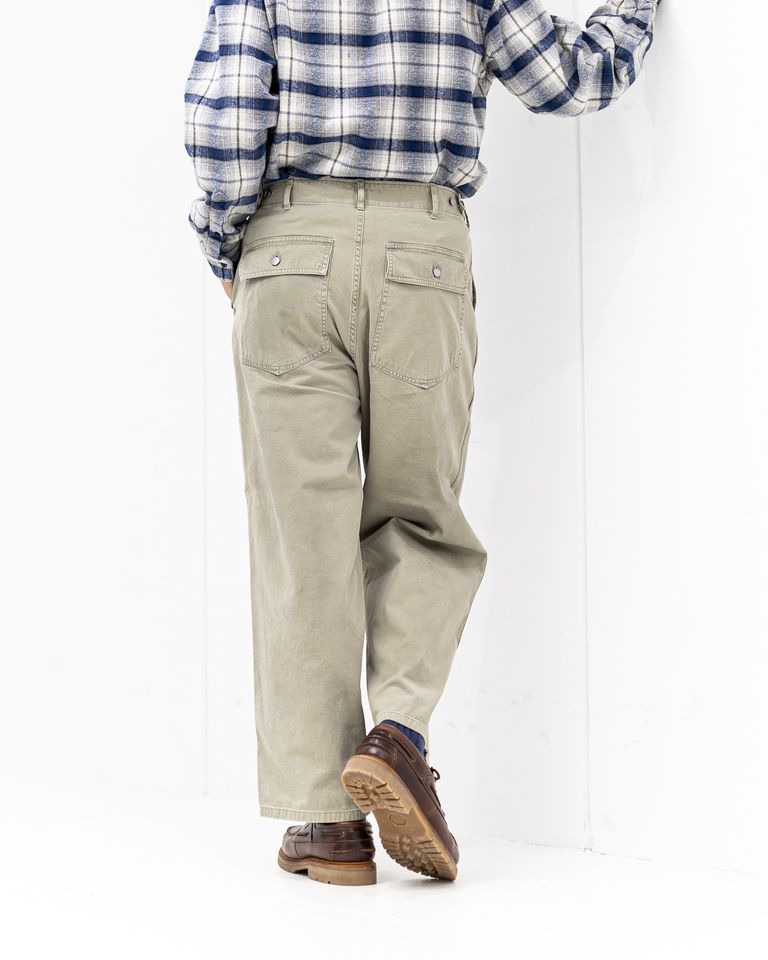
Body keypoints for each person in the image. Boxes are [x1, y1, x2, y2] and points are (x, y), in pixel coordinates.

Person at [184, 0, 662, 885]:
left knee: (302, 542)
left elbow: (226, 116)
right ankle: (397, 734)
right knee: (420, 514)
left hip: (289, 252)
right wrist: (632, 12)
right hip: (424, 252)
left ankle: (327, 825)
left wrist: (226, 247)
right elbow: (565, 81)